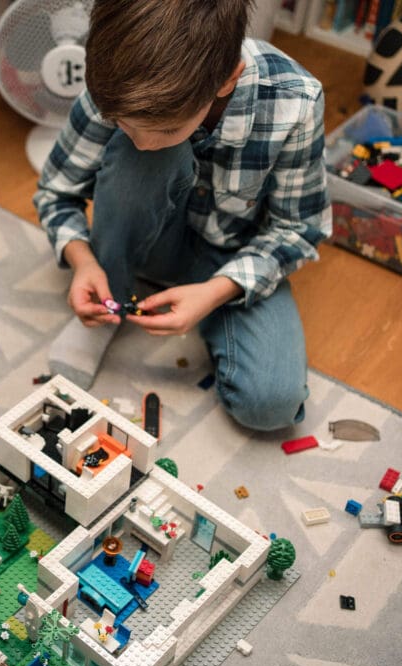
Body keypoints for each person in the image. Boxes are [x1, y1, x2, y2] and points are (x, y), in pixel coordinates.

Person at [34, 0, 331, 432]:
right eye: (123, 123)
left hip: (228, 258)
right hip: (143, 240)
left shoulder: (294, 101)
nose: (144, 141)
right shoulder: (114, 76)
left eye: (168, 129)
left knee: (271, 406)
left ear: (229, 78)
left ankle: (195, 293)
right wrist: (84, 261)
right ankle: (111, 297)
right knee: (140, 161)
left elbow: (298, 230)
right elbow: (56, 192)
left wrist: (214, 293)